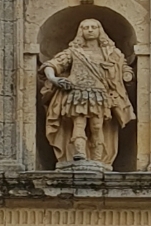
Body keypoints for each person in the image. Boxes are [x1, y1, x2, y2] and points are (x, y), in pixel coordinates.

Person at [41, 17, 135, 166]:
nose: (90, 30)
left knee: (97, 126)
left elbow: (123, 66)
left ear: (99, 31)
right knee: (79, 123)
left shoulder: (111, 53)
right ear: (81, 32)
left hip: (99, 94)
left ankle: (98, 159)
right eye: (86, 28)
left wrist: (126, 74)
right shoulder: (73, 52)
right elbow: (52, 64)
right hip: (77, 93)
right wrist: (53, 79)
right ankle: (80, 154)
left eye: (93, 27)